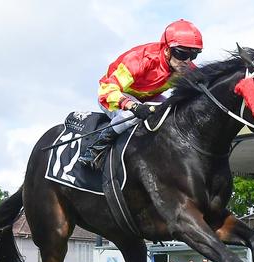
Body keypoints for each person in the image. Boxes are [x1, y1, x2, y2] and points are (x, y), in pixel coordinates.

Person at [79, 19, 203, 168]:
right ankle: (95, 150)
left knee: (172, 111)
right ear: (167, 49)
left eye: (193, 56)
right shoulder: (141, 59)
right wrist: (133, 106)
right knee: (129, 116)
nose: (187, 61)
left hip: (148, 97)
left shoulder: (184, 66)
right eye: (182, 54)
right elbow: (107, 89)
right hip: (114, 95)